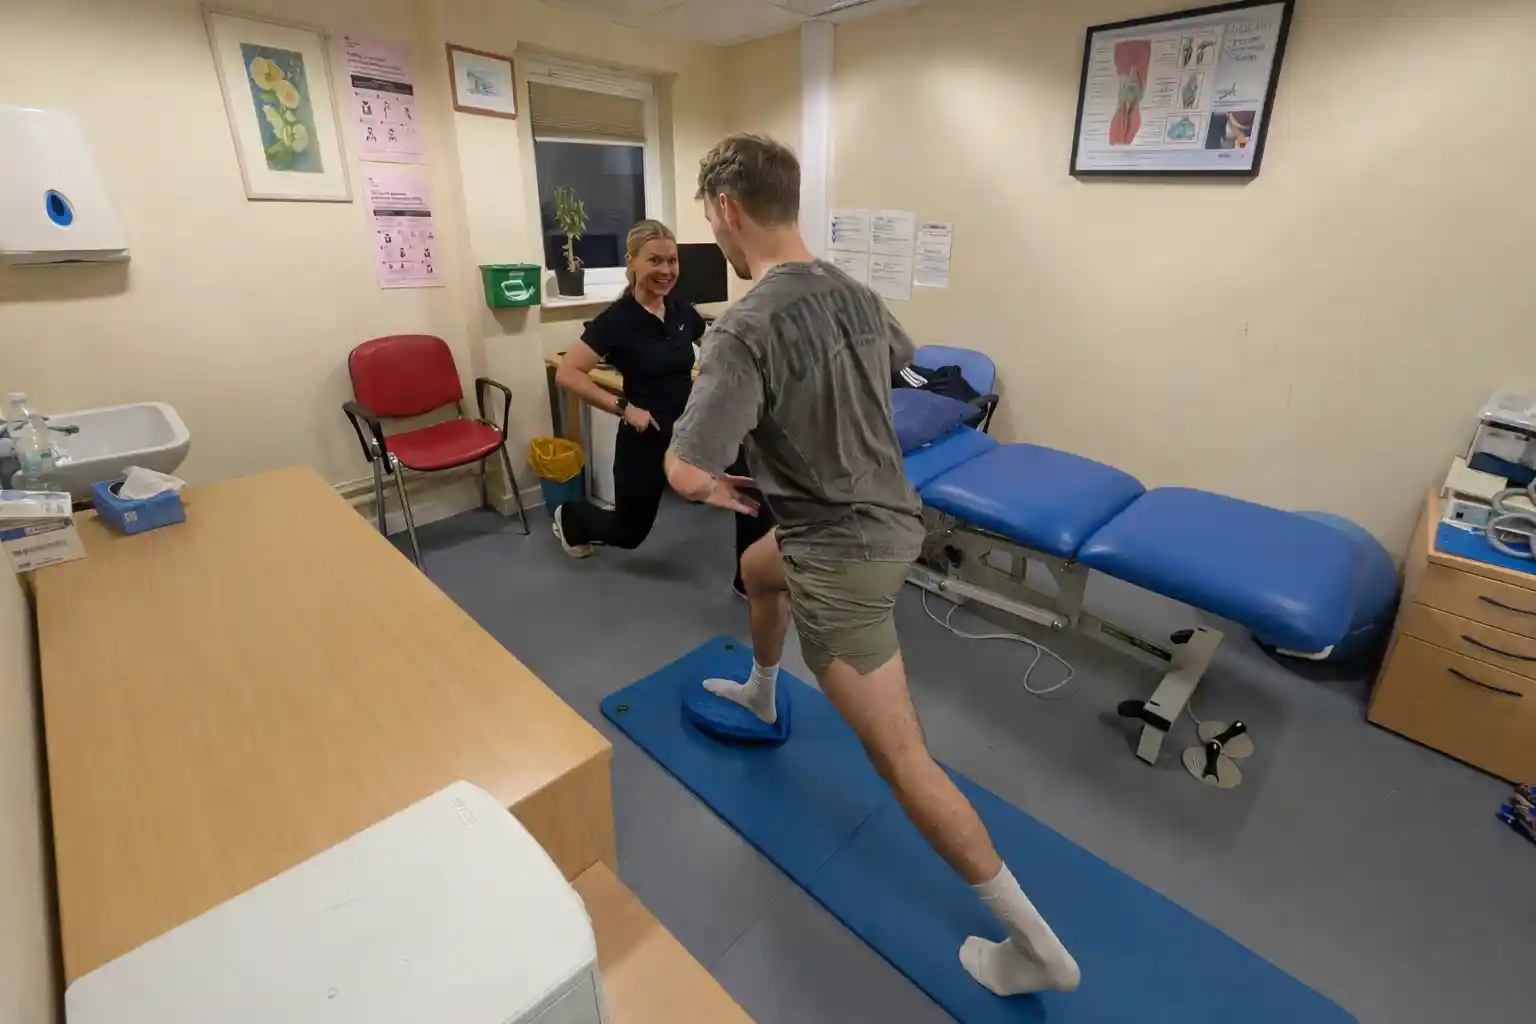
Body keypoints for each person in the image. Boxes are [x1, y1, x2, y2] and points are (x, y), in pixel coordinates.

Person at [663, 135, 1080, 999]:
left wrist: (713, 483)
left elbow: (685, 467)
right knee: (758, 567)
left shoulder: (740, 329)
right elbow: (896, 363)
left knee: (901, 758)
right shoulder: (855, 290)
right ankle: (764, 689)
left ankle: (1035, 948)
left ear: (730, 211)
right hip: (891, 515)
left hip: (844, 555)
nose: (717, 238)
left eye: (712, 222)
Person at [552, 220, 773, 588]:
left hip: (692, 428)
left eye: (672, 261)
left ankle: (748, 578)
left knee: (750, 482)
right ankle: (571, 519)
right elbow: (568, 373)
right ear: (632, 262)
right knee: (629, 531)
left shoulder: (681, 311)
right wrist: (624, 407)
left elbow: (715, 343)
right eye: (655, 260)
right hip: (646, 432)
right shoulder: (616, 321)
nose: (667, 270)